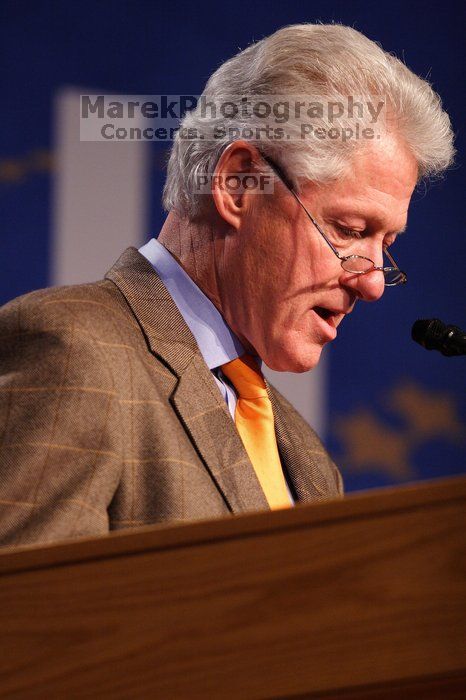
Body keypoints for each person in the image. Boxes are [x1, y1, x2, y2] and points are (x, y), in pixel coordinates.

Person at [0, 24, 454, 547]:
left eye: (387, 241)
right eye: (351, 231)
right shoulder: (77, 354)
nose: (373, 282)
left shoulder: (307, 459)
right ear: (239, 184)